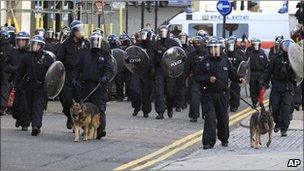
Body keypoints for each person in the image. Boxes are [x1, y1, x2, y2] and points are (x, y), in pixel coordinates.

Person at [194, 38, 245, 149]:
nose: (214, 50)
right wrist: (208, 79)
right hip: (208, 94)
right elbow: (197, 77)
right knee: (210, 118)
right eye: (212, 48)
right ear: (208, 49)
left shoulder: (225, 60)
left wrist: (239, 79)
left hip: (222, 94)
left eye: (216, 47)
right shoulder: (204, 62)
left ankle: (224, 138)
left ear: (220, 48)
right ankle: (208, 142)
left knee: (223, 118)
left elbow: (232, 73)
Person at [15, 35, 54, 136]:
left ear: (42, 46)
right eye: (33, 44)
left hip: (41, 86)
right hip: (28, 85)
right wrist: (18, 84)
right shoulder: (26, 57)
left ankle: (36, 126)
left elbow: (54, 72)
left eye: (37, 44)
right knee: (29, 106)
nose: (35, 46)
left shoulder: (47, 58)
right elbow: (20, 72)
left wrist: (52, 86)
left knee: (38, 106)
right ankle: (28, 121)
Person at [79, 32, 114, 139]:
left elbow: (109, 69)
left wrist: (106, 77)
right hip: (86, 85)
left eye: (97, 40)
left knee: (99, 108)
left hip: (99, 85)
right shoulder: (85, 53)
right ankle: (86, 129)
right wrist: (76, 78)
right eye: (93, 40)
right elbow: (78, 67)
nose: (95, 42)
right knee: (85, 108)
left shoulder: (105, 54)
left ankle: (100, 129)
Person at [56, 20, 90, 130]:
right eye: (78, 30)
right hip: (68, 74)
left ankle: (82, 122)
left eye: (82, 30)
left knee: (81, 100)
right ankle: (69, 117)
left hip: (81, 75)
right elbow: (59, 61)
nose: (81, 32)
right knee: (67, 100)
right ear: (73, 32)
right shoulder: (65, 45)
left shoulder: (86, 44)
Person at [262, 39, 297, 137]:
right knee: (274, 107)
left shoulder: (295, 59)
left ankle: (284, 128)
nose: (286, 48)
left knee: (286, 108)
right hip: (277, 85)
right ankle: (277, 122)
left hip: (288, 86)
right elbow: (268, 71)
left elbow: (299, 72)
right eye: (284, 46)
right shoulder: (276, 58)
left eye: (288, 46)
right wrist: (264, 83)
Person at [4, 31, 30, 130]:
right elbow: (6, 65)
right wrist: (11, 69)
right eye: (19, 40)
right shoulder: (12, 52)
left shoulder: (29, 53)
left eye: (23, 40)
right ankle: (18, 118)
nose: (21, 42)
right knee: (14, 105)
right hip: (15, 81)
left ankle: (25, 124)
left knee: (24, 104)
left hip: (26, 82)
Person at [154, 25, 180, 119]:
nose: (163, 33)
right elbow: (151, 57)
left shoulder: (174, 43)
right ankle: (160, 112)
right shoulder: (156, 44)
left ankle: (169, 107)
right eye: (161, 31)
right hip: (159, 69)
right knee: (159, 91)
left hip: (170, 69)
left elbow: (179, 56)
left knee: (170, 92)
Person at [130, 28, 154, 118]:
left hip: (148, 72)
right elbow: (131, 54)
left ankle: (146, 110)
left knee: (146, 93)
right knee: (134, 90)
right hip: (137, 70)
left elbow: (155, 58)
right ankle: (136, 106)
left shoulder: (153, 46)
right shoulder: (137, 45)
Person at [185, 36, 207, 122]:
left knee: (207, 97)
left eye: (199, 43)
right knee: (194, 97)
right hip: (196, 78)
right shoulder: (191, 55)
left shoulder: (208, 54)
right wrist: (184, 79)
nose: (197, 45)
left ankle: (206, 114)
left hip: (207, 78)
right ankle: (194, 115)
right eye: (195, 43)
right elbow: (187, 68)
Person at [226, 36, 247, 112]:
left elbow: (243, 64)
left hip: (235, 74)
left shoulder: (239, 53)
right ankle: (225, 104)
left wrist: (240, 76)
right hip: (226, 74)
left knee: (235, 90)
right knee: (225, 91)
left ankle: (234, 105)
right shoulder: (225, 53)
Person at [247, 38, 268, 108]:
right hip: (252, 73)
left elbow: (266, 65)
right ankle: (254, 102)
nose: (256, 46)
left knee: (260, 88)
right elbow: (245, 62)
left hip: (261, 74)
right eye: (254, 44)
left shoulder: (262, 53)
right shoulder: (249, 53)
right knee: (253, 89)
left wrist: (265, 75)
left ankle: (260, 101)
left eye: (257, 44)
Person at [0, 30, 13, 115]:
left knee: (5, 88)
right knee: (5, 88)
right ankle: (2, 107)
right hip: (6, 70)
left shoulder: (10, 48)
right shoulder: (11, 48)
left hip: (6, 70)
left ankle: (2, 107)